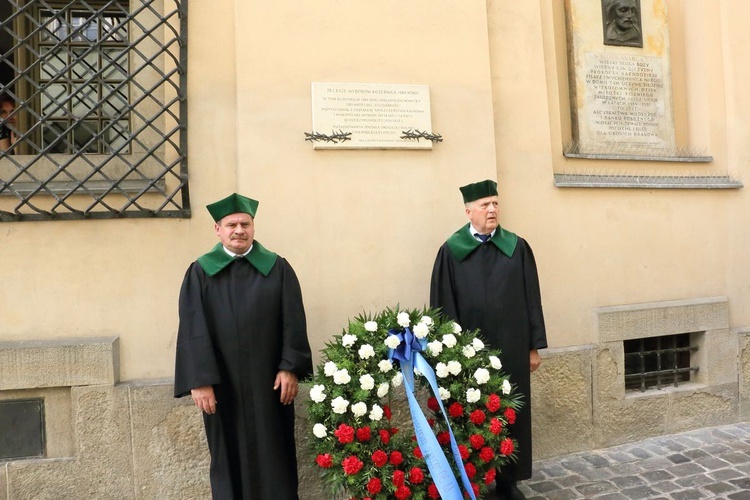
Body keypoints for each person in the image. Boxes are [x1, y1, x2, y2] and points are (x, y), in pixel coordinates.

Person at [174, 193, 313, 500]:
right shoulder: (200, 272)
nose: (239, 230)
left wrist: (290, 367)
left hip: (270, 385)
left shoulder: (278, 268)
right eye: (231, 224)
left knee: (274, 453)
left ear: (253, 227)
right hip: (223, 388)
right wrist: (200, 381)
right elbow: (192, 329)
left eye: (244, 224)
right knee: (227, 457)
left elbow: (293, 321)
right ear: (218, 230)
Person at [430, 180, 547, 500]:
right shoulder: (451, 252)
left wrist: (533, 346)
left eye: (495, 203)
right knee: (471, 412)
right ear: (469, 211)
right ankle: (474, 480)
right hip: (469, 354)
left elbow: (532, 298)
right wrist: (447, 353)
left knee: (513, 413)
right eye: (485, 205)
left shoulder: (517, 247)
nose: (492, 209)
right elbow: (442, 305)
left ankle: (509, 481)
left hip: (511, 347)